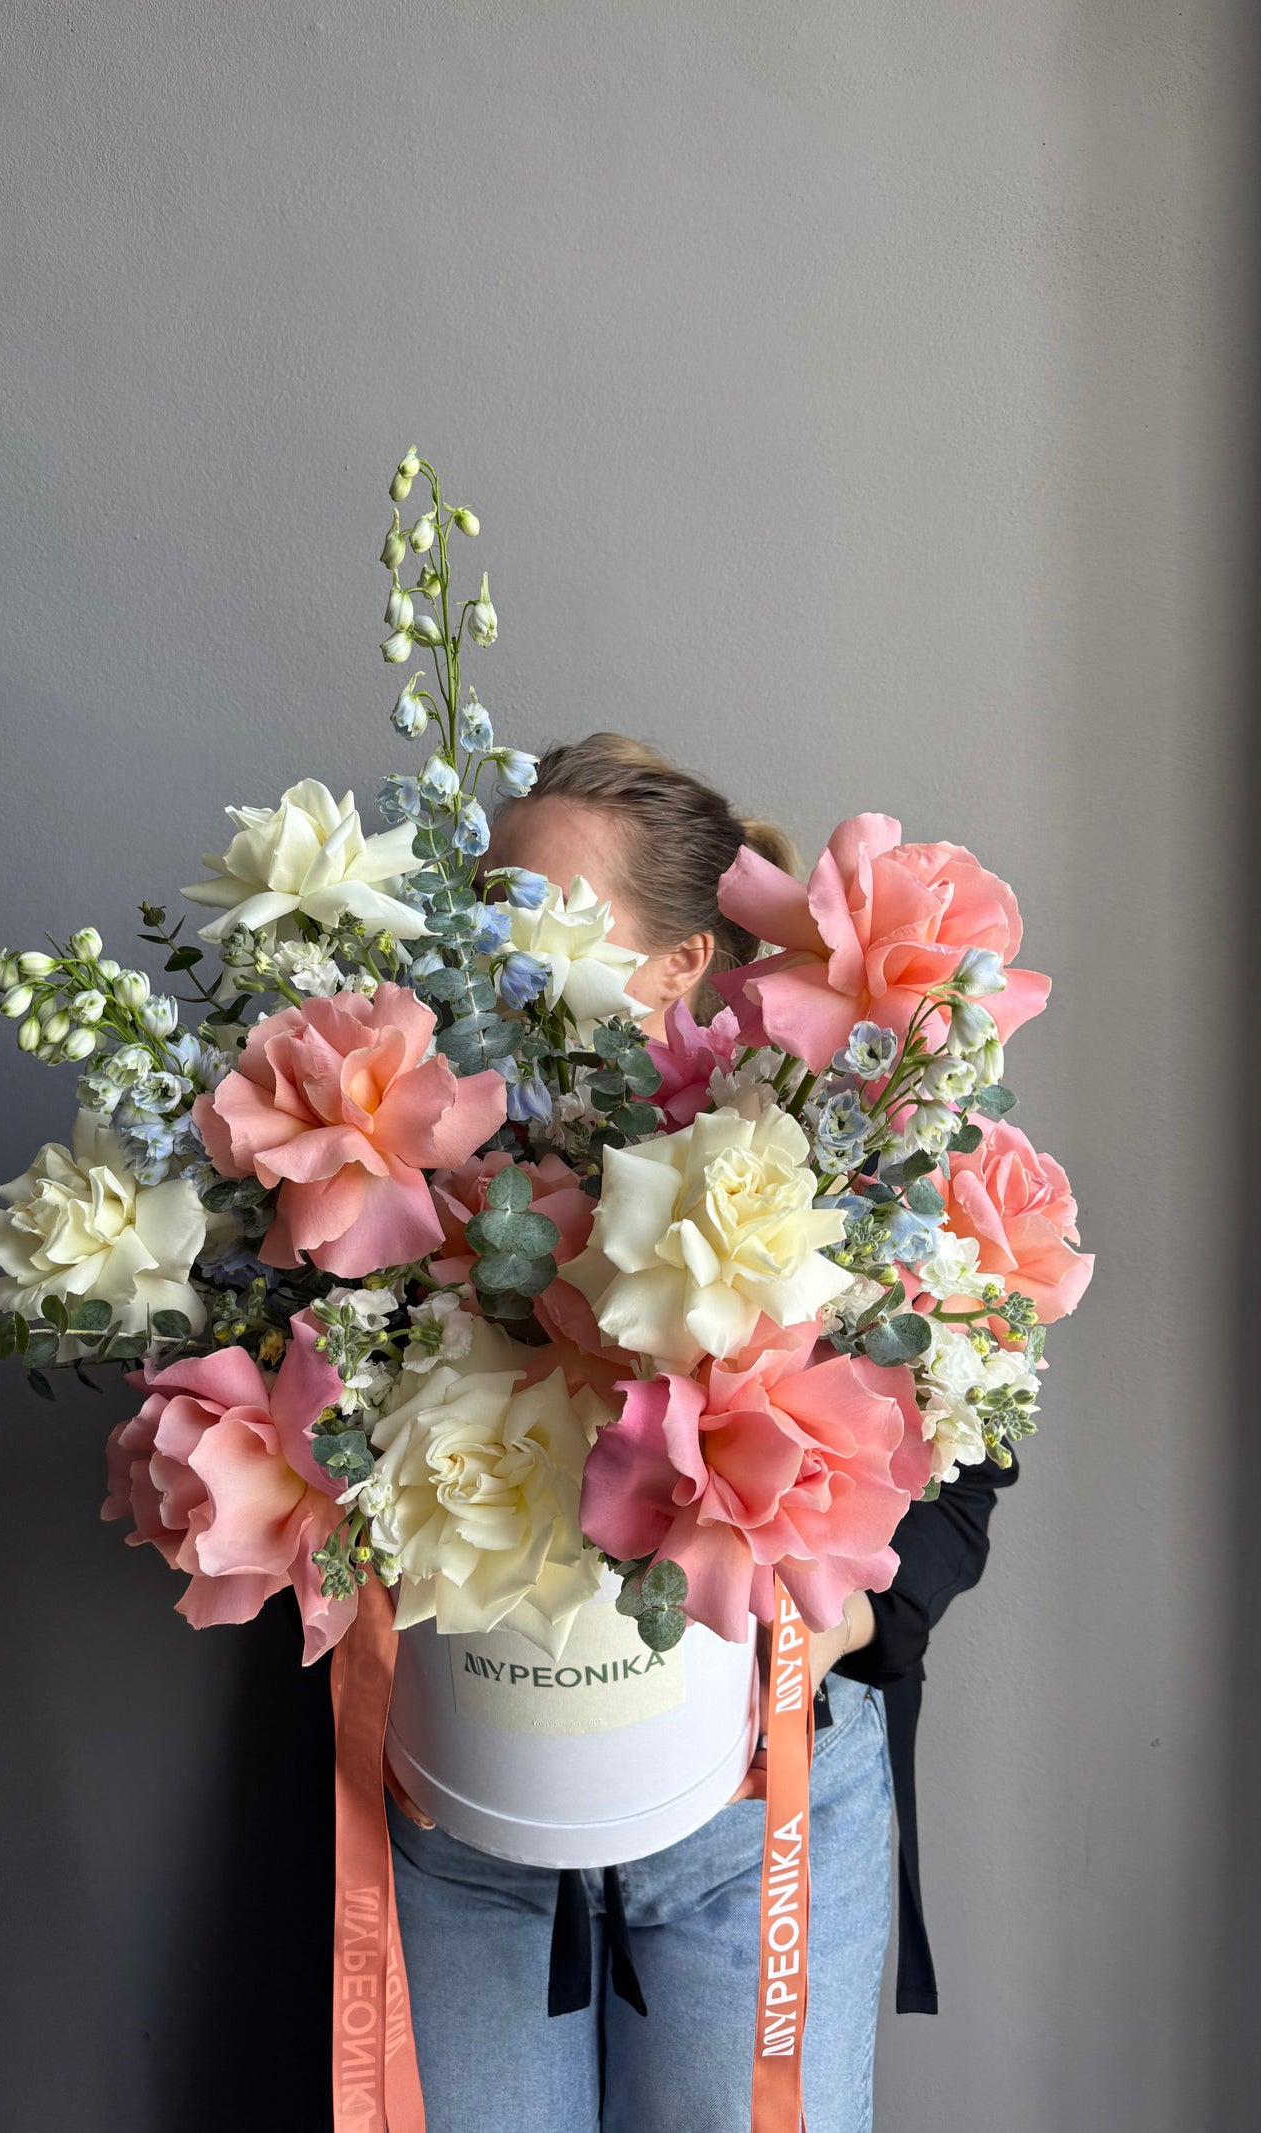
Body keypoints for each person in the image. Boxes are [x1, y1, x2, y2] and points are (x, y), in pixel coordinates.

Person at [385, 734, 1017, 2132]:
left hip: (752, 1814)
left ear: (677, 966)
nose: (494, 934)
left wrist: (843, 1620)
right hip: (474, 1819)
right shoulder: (400, 1162)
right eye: (482, 894)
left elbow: (974, 1444)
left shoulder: (828, 1152)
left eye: (541, 903)